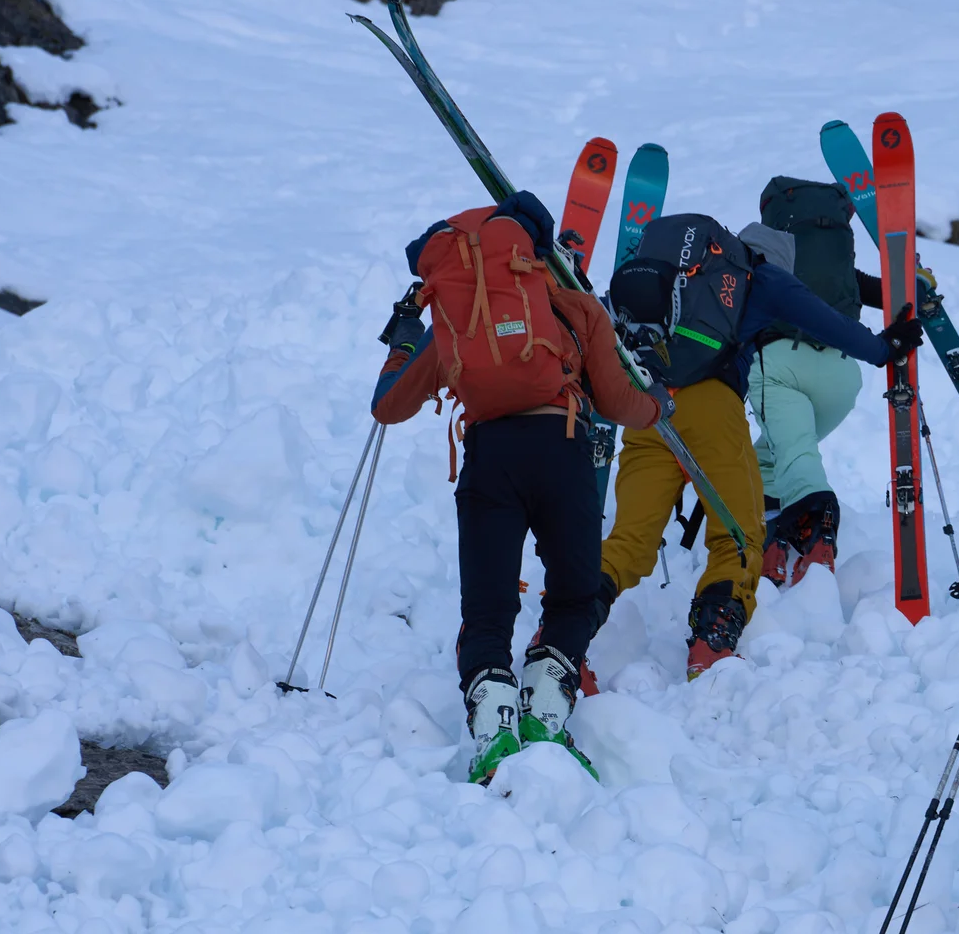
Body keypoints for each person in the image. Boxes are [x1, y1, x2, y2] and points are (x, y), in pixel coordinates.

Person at [371, 190, 670, 786]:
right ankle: (547, 717)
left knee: (486, 613)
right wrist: (659, 398)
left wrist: (406, 340)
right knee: (571, 597)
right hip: (561, 453)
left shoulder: (455, 325)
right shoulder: (575, 309)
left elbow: (387, 406)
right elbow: (620, 403)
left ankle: (493, 734)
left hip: (490, 462)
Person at [599, 211, 924, 679]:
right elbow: (826, 321)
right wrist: (883, 348)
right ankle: (711, 648)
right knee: (738, 535)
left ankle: (558, 646)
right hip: (712, 406)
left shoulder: (688, 277)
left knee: (628, 543)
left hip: (647, 406)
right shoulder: (765, 278)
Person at [739, 176, 892, 586]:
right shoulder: (839, 267)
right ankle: (771, 532)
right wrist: (914, 287)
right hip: (843, 374)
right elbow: (872, 289)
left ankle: (816, 532)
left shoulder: (760, 260)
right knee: (772, 454)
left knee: (796, 458)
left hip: (778, 365)